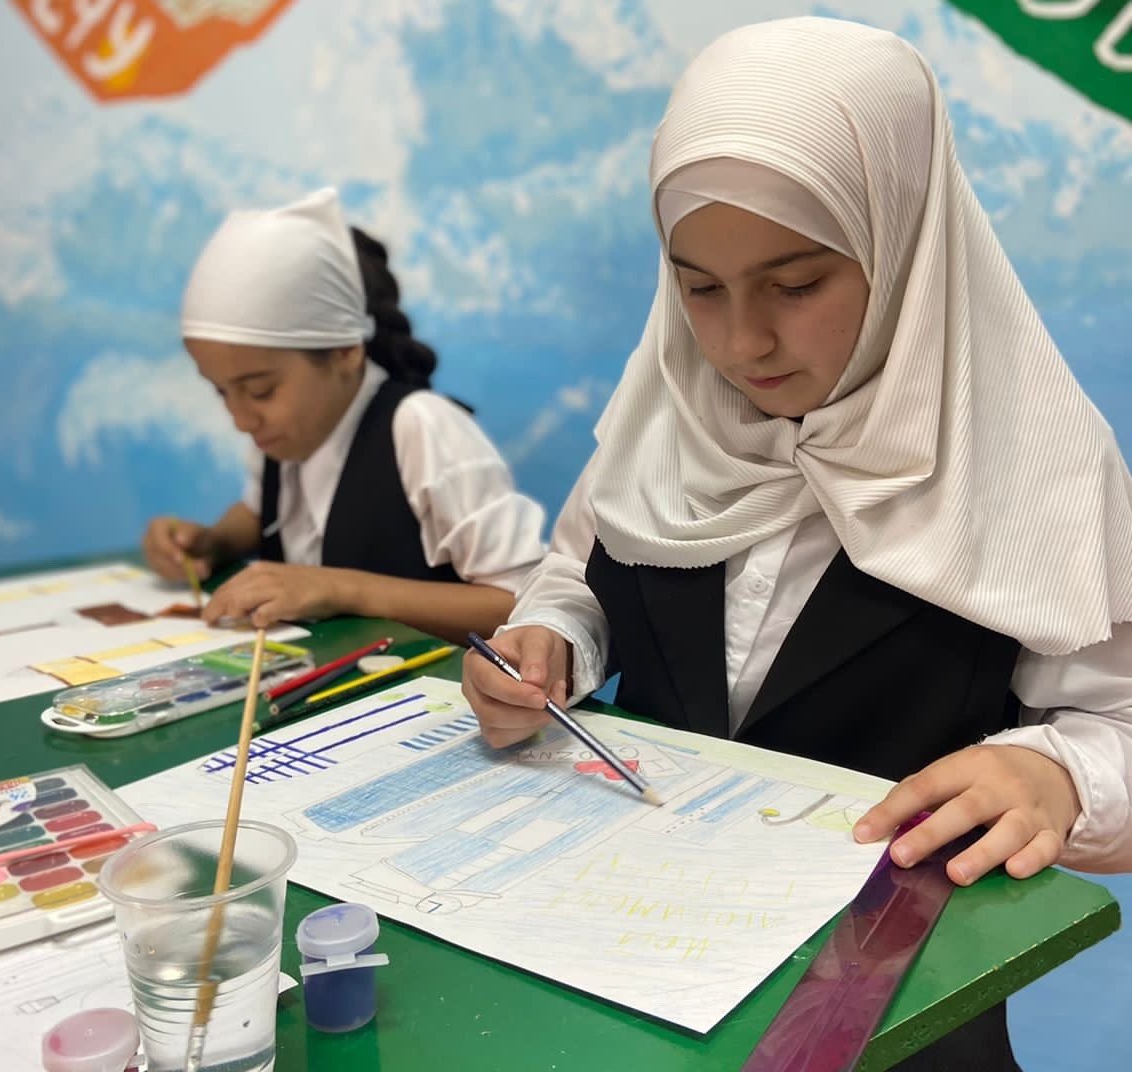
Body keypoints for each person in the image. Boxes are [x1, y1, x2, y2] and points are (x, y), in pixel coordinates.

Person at [461, 17, 1132, 1069]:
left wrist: (1056, 778)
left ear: (903, 245)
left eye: (797, 283)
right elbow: (583, 569)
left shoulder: (1035, 464)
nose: (740, 342)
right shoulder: (664, 416)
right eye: (698, 286)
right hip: (635, 965)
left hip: (898, 1011)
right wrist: (553, 639)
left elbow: (1118, 722)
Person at [142, 187, 546, 645]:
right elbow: (264, 509)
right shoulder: (287, 432)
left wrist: (340, 589)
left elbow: (523, 602)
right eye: (221, 392)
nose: (240, 419)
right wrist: (212, 541)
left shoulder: (422, 428)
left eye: (259, 391)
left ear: (346, 353)